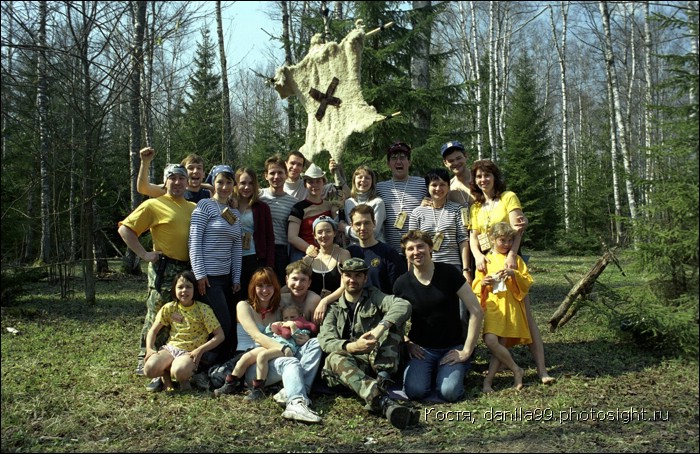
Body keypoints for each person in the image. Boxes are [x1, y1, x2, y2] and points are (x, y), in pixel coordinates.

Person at [468, 159, 555, 385]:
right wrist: (477, 256)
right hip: (487, 262)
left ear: (495, 177)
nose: (483, 180)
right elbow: (474, 236)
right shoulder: (476, 206)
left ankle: (542, 370)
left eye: (487, 175)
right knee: (497, 315)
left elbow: (518, 229)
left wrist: (512, 256)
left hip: (509, 259)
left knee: (526, 315)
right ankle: (502, 366)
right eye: (478, 176)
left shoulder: (508, 197)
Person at [118, 162, 196, 392]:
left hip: (188, 268)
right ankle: (148, 360)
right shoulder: (154, 205)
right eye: (173, 178)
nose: (178, 182)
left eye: (182, 178)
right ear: (165, 181)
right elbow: (125, 229)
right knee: (158, 313)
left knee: (182, 317)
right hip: (164, 267)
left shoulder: (193, 207)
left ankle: (173, 362)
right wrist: (144, 254)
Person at [318, 258, 419, 430]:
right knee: (334, 358)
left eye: (358, 275)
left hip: (377, 360)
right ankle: (383, 399)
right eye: (348, 275)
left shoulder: (374, 296)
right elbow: (326, 341)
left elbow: (403, 305)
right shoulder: (333, 308)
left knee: (393, 327)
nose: (352, 280)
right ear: (341, 278)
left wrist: (380, 329)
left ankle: (382, 383)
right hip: (350, 366)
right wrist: (353, 347)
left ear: (365, 279)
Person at [212, 267, 323, 423]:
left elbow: (300, 292)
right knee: (289, 361)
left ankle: (295, 389)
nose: (265, 290)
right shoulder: (244, 306)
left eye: (269, 286)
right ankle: (296, 403)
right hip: (253, 363)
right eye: (260, 286)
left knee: (315, 343)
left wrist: (324, 301)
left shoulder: (279, 307)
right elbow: (256, 335)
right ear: (253, 287)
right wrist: (283, 349)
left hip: (277, 355)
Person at [393, 230, 483, 403]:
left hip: (452, 347)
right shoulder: (402, 283)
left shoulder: (449, 273)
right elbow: (394, 322)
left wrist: (466, 350)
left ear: (430, 248)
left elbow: (476, 312)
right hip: (422, 350)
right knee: (415, 391)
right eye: (410, 249)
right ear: (405, 253)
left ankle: (457, 368)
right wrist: (406, 342)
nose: (416, 252)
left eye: (420, 246)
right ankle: (432, 371)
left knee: (449, 393)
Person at [313, 204, 407, 324]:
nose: (362, 228)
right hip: (353, 316)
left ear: (374, 223)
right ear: (351, 225)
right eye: (358, 224)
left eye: (367, 223)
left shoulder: (388, 253)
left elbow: (398, 289)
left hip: (381, 313)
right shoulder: (349, 253)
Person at [189, 164, 242, 360]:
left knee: (227, 323)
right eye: (220, 182)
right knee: (222, 324)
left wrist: (236, 277)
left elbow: (236, 246)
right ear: (213, 182)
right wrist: (200, 274)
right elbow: (194, 241)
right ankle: (205, 362)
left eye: (229, 182)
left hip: (226, 277)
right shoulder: (204, 206)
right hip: (208, 279)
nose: (225, 187)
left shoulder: (233, 213)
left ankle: (220, 363)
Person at [472, 222, 533, 393]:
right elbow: (477, 284)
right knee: (491, 340)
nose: (506, 244)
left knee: (501, 346)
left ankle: (488, 382)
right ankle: (516, 369)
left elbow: (527, 282)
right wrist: (484, 283)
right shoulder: (485, 260)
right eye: (502, 240)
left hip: (511, 306)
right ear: (492, 239)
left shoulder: (515, 260)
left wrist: (514, 274)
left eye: (509, 241)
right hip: (493, 306)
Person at [215, 300, 317, 401]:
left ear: (299, 316)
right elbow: (266, 333)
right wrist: (272, 327)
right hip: (271, 345)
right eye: (286, 318)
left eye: (292, 317)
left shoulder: (302, 328)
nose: (288, 320)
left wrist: (294, 327)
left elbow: (300, 341)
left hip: (286, 349)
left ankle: (258, 389)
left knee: (262, 356)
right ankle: (230, 383)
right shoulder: (281, 326)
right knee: (246, 356)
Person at [144, 271, 224, 392]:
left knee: (179, 371)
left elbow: (220, 336)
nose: (184, 291)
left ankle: (184, 379)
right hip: (171, 349)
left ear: (194, 289)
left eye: (188, 287)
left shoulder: (203, 309)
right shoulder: (169, 308)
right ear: (174, 289)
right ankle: (166, 377)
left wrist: (200, 350)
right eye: (180, 287)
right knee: (149, 369)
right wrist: (149, 349)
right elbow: (153, 331)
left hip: (191, 353)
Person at [409, 168, 470, 282]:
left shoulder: (457, 209)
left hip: (453, 266)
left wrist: (466, 270)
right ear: (428, 187)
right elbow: (411, 244)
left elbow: (463, 240)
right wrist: (411, 272)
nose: (438, 188)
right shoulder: (417, 213)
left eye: (442, 184)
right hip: (425, 267)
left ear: (448, 186)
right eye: (434, 185)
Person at [376, 142, 429, 255]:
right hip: (389, 251)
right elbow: (357, 195)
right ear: (388, 164)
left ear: (409, 162)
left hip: (416, 251)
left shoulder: (423, 184)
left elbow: (440, 201)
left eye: (403, 158)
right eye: (394, 158)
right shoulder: (379, 187)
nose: (398, 162)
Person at [232, 167, 275, 304]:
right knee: (235, 300)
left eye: (251, 183)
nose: (246, 187)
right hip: (232, 260)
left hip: (255, 259)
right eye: (242, 183)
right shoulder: (229, 205)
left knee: (254, 300)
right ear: (236, 184)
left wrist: (269, 265)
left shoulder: (262, 207)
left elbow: (270, 238)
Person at [260, 155, 299, 285]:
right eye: (272, 173)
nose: (276, 177)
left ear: (286, 174)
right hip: (259, 249)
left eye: (280, 173)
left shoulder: (293, 203)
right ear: (266, 175)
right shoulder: (257, 196)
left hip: (280, 252)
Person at [288, 163, 336, 262]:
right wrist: (308, 248)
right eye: (311, 182)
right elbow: (292, 237)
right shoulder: (298, 208)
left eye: (318, 181)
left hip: (329, 252)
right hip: (305, 252)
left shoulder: (330, 205)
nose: (315, 185)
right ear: (305, 184)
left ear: (324, 183)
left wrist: (337, 171)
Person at [137, 147, 211, 202]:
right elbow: (143, 188)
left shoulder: (208, 194)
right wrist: (145, 162)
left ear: (204, 174)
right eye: (191, 168)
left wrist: (209, 187)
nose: (195, 171)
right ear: (183, 172)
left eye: (199, 168)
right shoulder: (172, 190)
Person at [301, 216, 350, 298]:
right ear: (314, 235)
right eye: (319, 232)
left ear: (334, 233)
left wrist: (324, 301)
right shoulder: (308, 259)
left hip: (337, 305)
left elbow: (345, 286)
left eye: (328, 231)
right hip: (313, 305)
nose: (324, 235)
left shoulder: (343, 254)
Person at [339, 165, 386, 244]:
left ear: (372, 182)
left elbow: (373, 233)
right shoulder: (348, 203)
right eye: (360, 177)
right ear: (354, 180)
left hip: (375, 249)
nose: (363, 180)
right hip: (354, 250)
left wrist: (345, 229)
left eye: (367, 178)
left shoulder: (378, 202)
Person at [283, 151, 348, 201]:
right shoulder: (278, 187)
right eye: (292, 163)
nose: (295, 167)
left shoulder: (311, 185)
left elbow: (346, 193)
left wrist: (336, 174)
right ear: (285, 164)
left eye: (299, 165)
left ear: (302, 168)